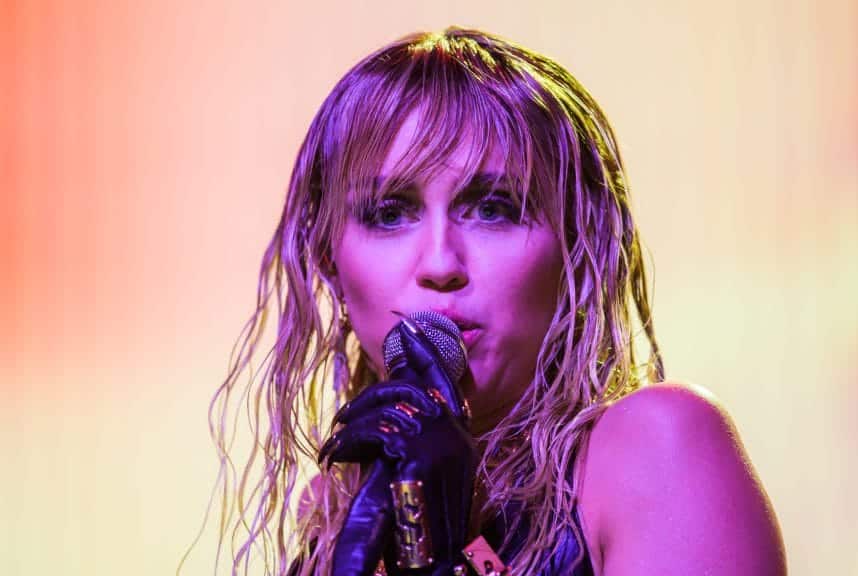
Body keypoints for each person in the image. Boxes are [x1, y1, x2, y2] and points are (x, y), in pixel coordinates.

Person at [199, 27, 787, 575]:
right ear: (329, 261)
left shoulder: (656, 448)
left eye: (492, 208)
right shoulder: (337, 512)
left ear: (574, 247)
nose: (439, 264)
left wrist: (446, 553)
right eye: (390, 213)